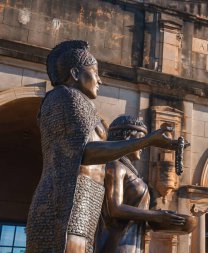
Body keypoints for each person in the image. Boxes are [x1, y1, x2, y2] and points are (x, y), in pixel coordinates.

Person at [26, 40, 181, 253]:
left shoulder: (81, 103)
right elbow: (85, 152)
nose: (100, 80)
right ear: (75, 73)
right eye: (94, 72)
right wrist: (149, 140)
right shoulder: (65, 97)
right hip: (62, 207)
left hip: (82, 206)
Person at [95, 115, 185, 253]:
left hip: (134, 245)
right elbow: (115, 208)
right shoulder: (115, 165)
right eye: (141, 140)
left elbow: (133, 220)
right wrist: (155, 216)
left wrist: (160, 221)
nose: (143, 147)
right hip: (116, 246)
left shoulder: (130, 170)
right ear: (127, 138)